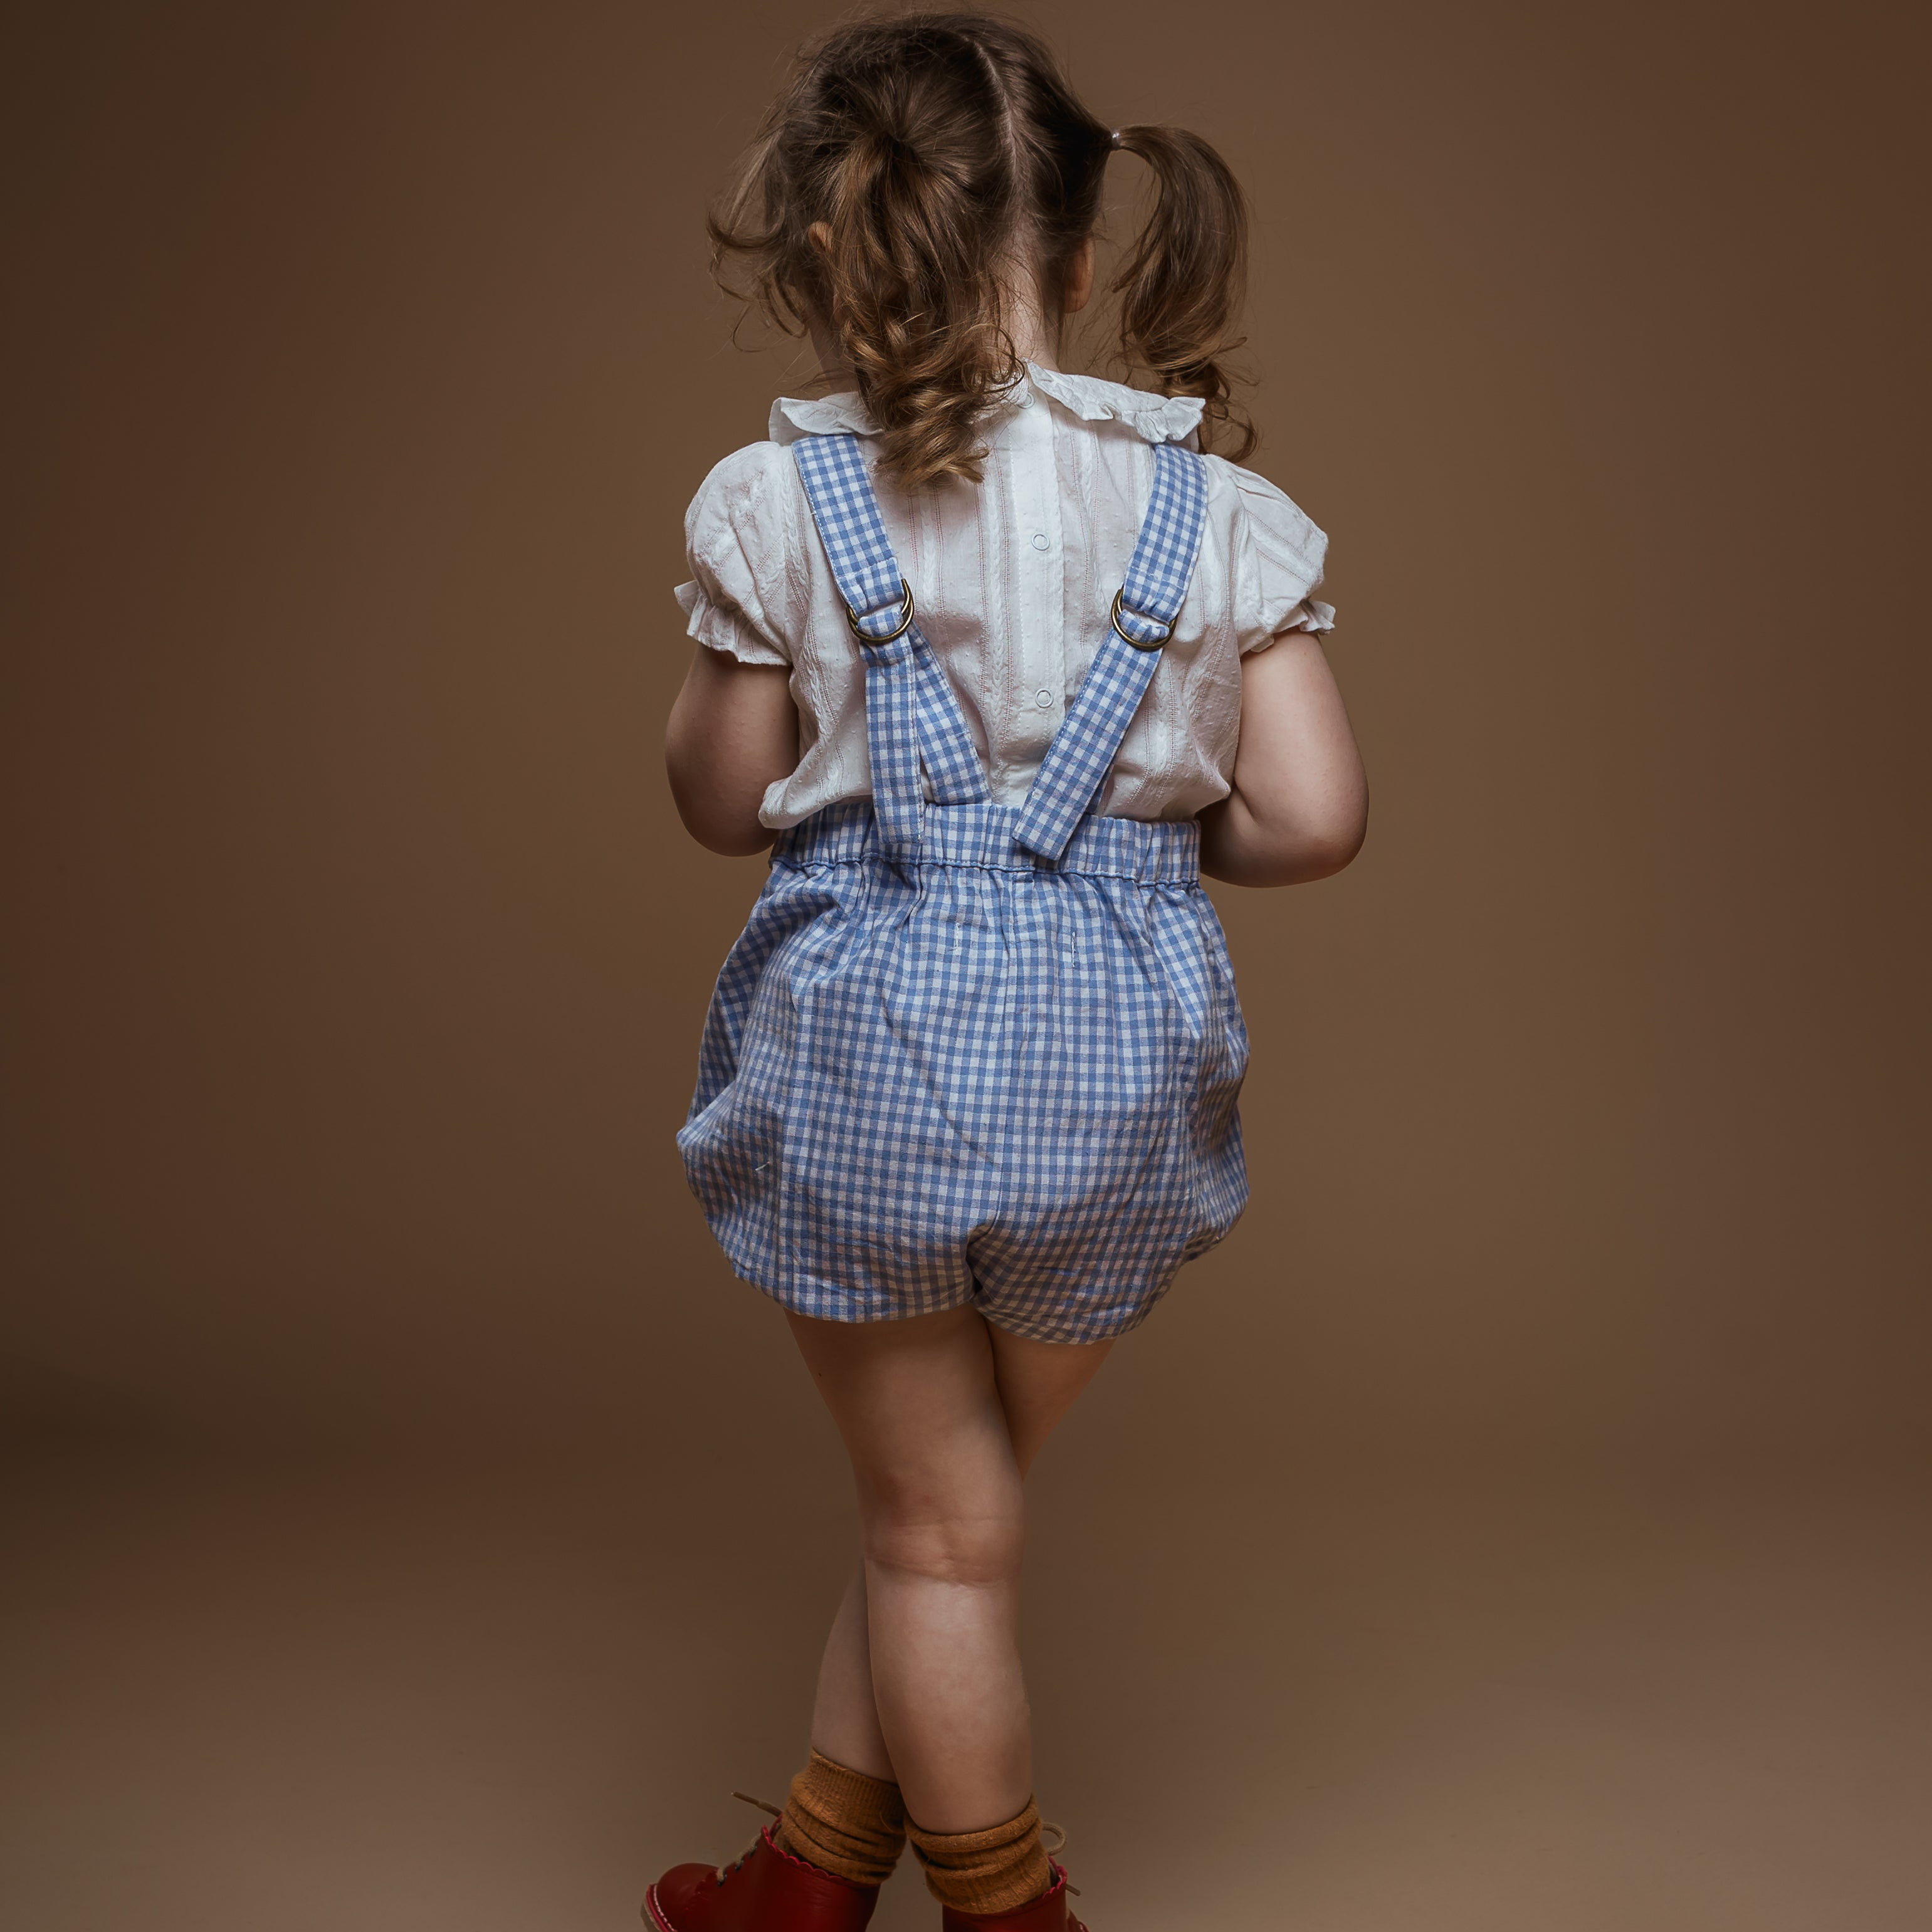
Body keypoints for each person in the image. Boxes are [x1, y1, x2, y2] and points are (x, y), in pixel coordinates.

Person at [651, 15, 1367, 1929]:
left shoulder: (778, 498)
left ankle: (1010, 1913)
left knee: (933, 1537)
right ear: (1086, 240)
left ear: (832, 251)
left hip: (873, 1051)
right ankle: (805, 1879)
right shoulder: (1216, 505)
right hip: (1117, 1071)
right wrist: (1133, 845)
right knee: (949, 1525)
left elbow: (723, 806)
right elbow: (1314, 816)